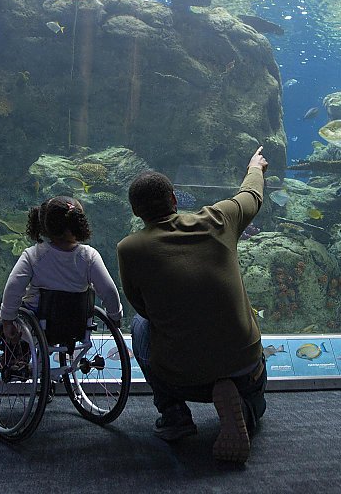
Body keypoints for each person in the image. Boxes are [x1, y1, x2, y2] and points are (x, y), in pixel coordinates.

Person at [117, 146, 269, 463]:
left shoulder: (129, 248)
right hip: (246, 366)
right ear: (174, 199)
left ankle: (175, 416)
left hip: (182, 377)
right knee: (254, 392)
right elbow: (251, 196)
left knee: (140, 326)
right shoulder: (218, 219)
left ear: (136, 213)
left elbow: (143, 307)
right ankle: (244, 407)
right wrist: (255, 167)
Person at [0, 196, 123, 342]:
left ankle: (16, 355)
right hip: (77, 324)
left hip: (37, 327)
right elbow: (108, 290)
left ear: (44, 224)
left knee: (0, 306)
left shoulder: (33, 256)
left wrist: (8, 320)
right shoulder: (89, 256)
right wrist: (115, 317)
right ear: (79, 224)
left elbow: (13, 287)